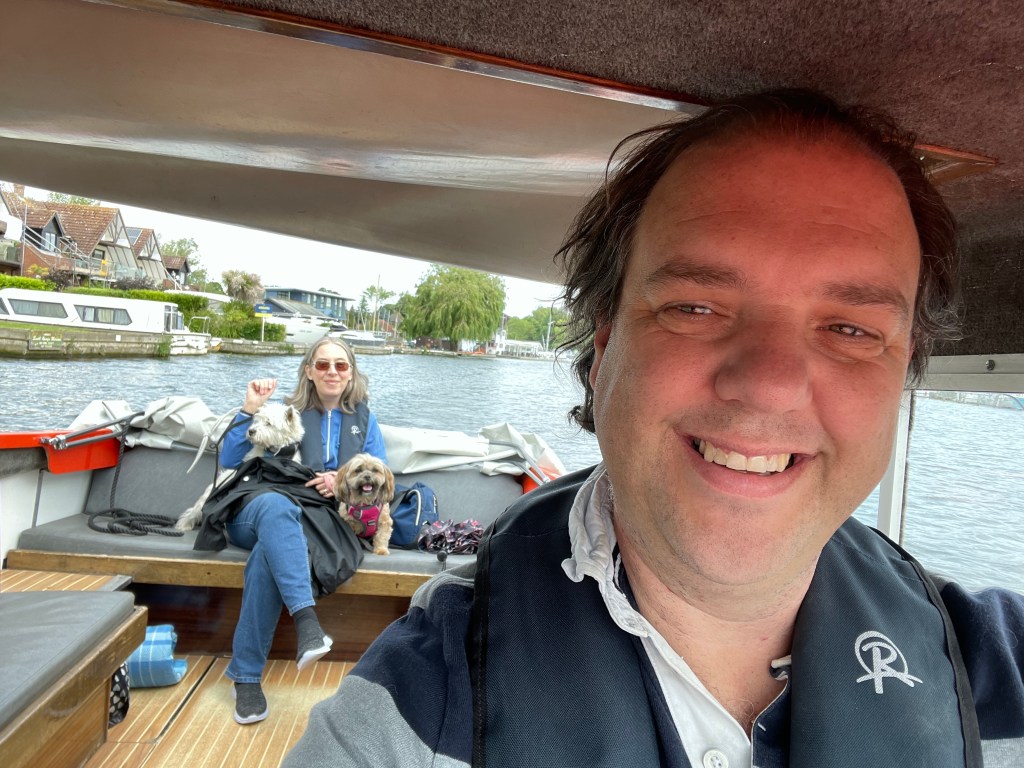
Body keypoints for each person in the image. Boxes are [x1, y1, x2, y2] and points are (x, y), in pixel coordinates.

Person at [284, 91, 1024, 766]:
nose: (768, 382)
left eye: (851, 329)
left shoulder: (997, 671)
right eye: (695, 307)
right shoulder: (402, 724)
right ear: (604, 348)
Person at [211, 336, 386, 725]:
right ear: (309, 371)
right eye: (322, 365)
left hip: (318, 522)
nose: (332, 372)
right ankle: (307, 622)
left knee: (267, 556)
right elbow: (230, 458)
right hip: (256, 507)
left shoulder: (364, 419)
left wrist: (338, 479)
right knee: (276, 507)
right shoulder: (283, 411)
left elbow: (380, 474)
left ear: (351, 373)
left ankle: (246, 678)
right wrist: (249, 409)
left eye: (341, 365)